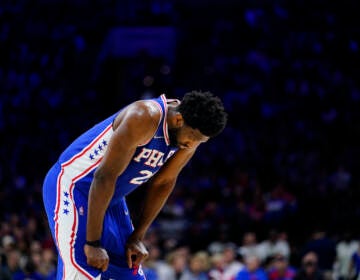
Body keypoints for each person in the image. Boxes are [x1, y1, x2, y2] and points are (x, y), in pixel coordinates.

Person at [42, 91, 227, 279]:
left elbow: (163, 182)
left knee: (130, 271)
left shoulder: (189, 132)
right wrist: (93, 242)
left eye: (201, 141)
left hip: (110, 196)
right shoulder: (144, 116)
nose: (192, 145)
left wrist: (137, 237)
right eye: (194, 138)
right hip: (75, 187)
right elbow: (104, 176)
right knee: (83, 272)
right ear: (178, 120)